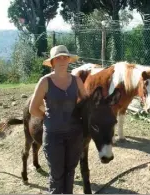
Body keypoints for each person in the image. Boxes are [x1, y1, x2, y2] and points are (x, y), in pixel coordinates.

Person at [29, 45, 88, 194]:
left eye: (65, 57)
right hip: (53, 136)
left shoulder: (77, 81)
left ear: (69, 60)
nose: (62, 60)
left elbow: (87, 102)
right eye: (58, 58)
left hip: (75, 134)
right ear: (53, 62)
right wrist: (47, 117)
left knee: (70, 172)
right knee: (56, 174)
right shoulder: (45, 81)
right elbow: (33, 108)